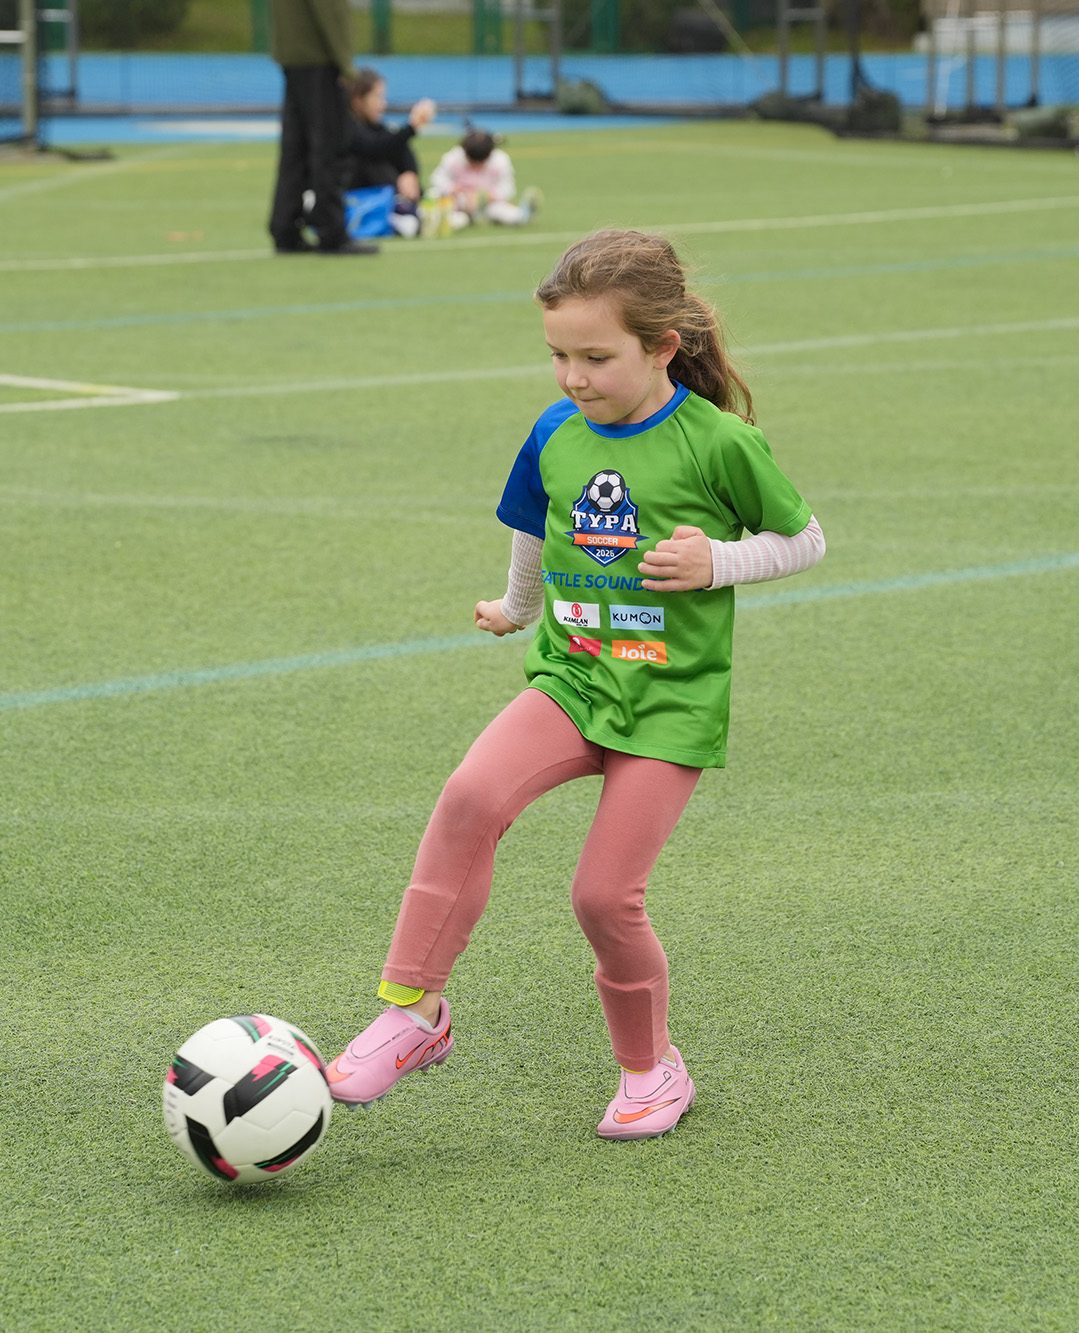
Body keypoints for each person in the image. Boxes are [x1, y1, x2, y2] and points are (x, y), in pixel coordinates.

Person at [325, 229, 828, 1139]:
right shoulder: (555, 431)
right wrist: (517, 608)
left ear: (662, 347)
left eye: (596, 357)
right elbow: (537, 521)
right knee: (469, 797)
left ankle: (650, 1070)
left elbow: (804, 539)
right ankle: (414, 1013)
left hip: (668, 699)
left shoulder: (718, 441)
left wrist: (717, 562)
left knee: (602, 897)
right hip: (570, 676)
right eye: (559, 355)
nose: (572, 377)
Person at [266, 0, 376, 256]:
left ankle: (285, 228)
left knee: (295, 149)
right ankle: (332, 232)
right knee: (329, 147)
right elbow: (331, 10)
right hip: (319, 57)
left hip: (293, 55)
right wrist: (346, 64)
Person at [344, 67, 435, 238]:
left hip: (377, 194)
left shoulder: (376, 127)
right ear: (358, 100)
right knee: (372, 160)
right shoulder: (345, 127)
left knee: (393, 151)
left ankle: (405, 207)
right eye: (377, 97)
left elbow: (400, 148)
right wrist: (412, 127)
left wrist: (409, 173)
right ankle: (398, 210)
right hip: (354, 197)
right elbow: (373, 146)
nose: (383, 104)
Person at [424, 127, 541, 233]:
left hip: (488, 202)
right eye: (472, 163)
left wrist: (489, 196)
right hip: (459, 200)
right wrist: (453, 189)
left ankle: (523, 214)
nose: (475, 167)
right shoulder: (454, 156)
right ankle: (444, 219)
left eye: (479, 164)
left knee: (501, 211)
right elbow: (437, 178)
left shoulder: (500, 160)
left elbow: (507, 189)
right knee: (438, 198)